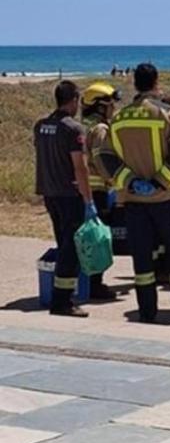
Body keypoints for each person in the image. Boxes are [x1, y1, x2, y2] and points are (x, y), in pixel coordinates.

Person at [98, 63, 170, 323]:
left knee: (142, 258)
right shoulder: (166, 113)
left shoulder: (120, 118)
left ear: (135, 84)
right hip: (164, 198)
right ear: (156, 82)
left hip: (132, 200)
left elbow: (106, 156)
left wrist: (130, 182)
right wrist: (160, 182)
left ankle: (146, 311)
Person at [33, 80, 94, 317]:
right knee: (71, 248)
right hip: (69, 195)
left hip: (49, 193)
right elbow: (80, 168)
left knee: (63, 242)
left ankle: (62, 295)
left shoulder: (41, 126)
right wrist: (88, 200)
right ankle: (62, 301)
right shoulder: (73, 129)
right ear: (74, 100)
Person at [79, 81, 122, 300]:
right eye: (110, 105)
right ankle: (96, 285)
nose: (113, 109)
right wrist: (117, 180)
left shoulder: (83, 125)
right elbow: (102, 160)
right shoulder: (100, 129)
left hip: (80, 190)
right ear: (100, 106)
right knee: (98, 239)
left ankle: (84, 282)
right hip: (97, 191)